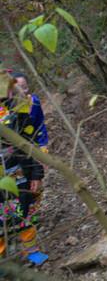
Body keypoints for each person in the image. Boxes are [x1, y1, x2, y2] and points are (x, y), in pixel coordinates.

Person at [0, 71, 46, 264]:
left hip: (20, 171)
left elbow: (30, 141)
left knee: (25, 210)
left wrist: (36, 173)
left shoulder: (19, 111)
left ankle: (31, 250)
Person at [11, 72, 49, 153]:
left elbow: (39, 123)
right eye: (18, 88)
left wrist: (43, 145)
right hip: (15, 149)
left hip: (34, 145)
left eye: (24, 87)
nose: (22, 91)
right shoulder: (7, 107)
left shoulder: (34, 101)